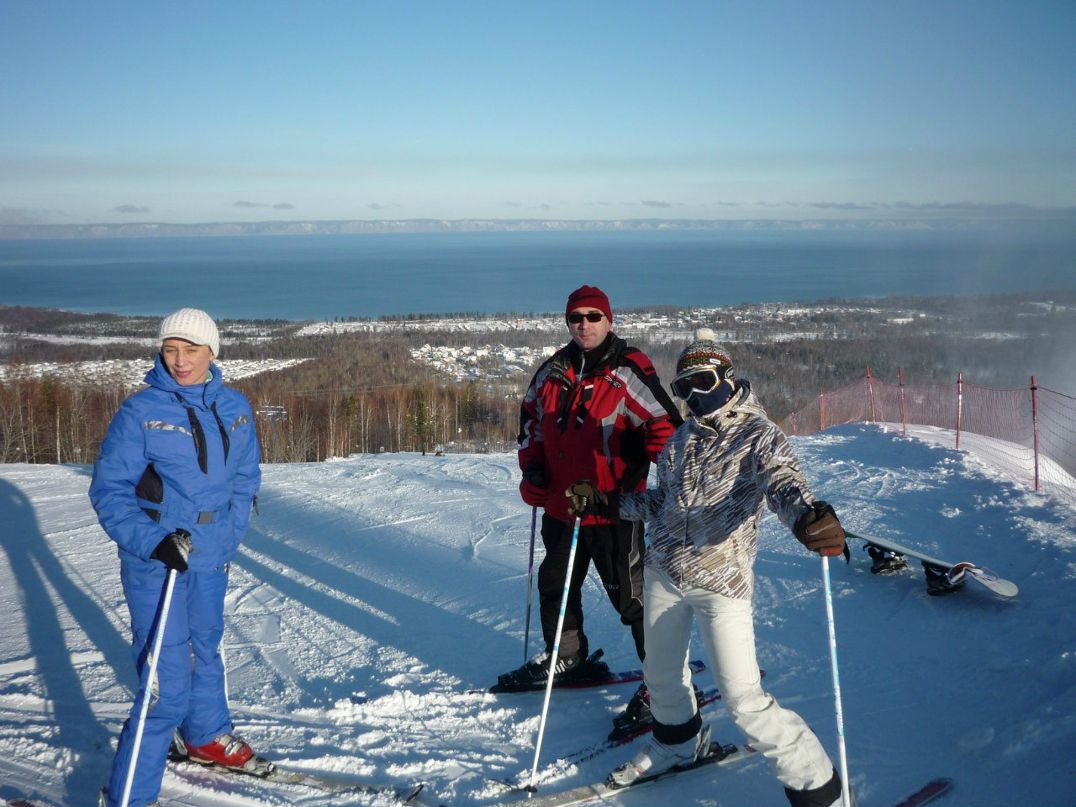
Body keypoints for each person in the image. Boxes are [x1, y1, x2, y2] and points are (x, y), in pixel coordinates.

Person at [568, 328, 849, 807]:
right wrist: (608, 503)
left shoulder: (759, 436)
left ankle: (817, 787)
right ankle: (678, 742)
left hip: (722, 581)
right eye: (684, 388)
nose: (694, 395)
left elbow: (783, 483)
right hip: (664, 572)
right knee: (661, 678)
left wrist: (807, 517)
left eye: (703, 381)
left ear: (727, 377)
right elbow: (663, 503)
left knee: (744, 702)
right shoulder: (679, 440)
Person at [91, 308, 263, 807]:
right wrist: (153, 542)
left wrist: (231, 532)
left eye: (191, 349)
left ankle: (205, 734)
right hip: (159, 561)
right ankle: (129, 796)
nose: (180, 360)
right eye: (170, 349)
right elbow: (109, 492)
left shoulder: (234, 405)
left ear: (213, 352)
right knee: (164, 684)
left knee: (206, 647)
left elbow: (245, 478)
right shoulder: (142, 411)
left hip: (213, 552)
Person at [498, 285, 682, 721]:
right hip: (562, 508)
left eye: (593, 316)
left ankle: (663, 683)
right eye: (576, 317)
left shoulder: (627, 370)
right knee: (556, 586)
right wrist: (533, 471)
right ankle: (566, 656)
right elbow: (531, 423)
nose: (584, 324)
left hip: (613, 508)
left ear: (609, 320)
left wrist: (669, 475)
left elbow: (665, 427)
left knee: (632, 599)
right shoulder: (552, 372)